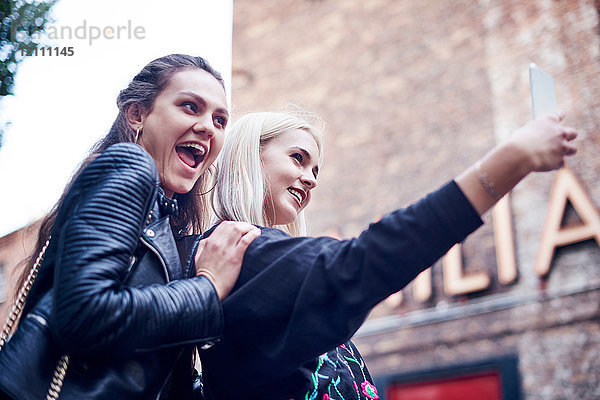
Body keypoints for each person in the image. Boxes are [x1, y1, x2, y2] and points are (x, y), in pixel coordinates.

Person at [199, 109, 577, 399]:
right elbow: (370, 258)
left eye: (316, 168)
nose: (312, 178)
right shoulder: (241, 252)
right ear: (250, 156)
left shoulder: (270, 261)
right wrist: (512, 160)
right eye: (298, 158)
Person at [0, 54, 260, 400]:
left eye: (220, 119)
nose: (208, 127)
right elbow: (85, 314)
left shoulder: (166, 226)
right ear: (137, 114)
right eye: (189, 106)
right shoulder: (129, 166)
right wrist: (207, 289)